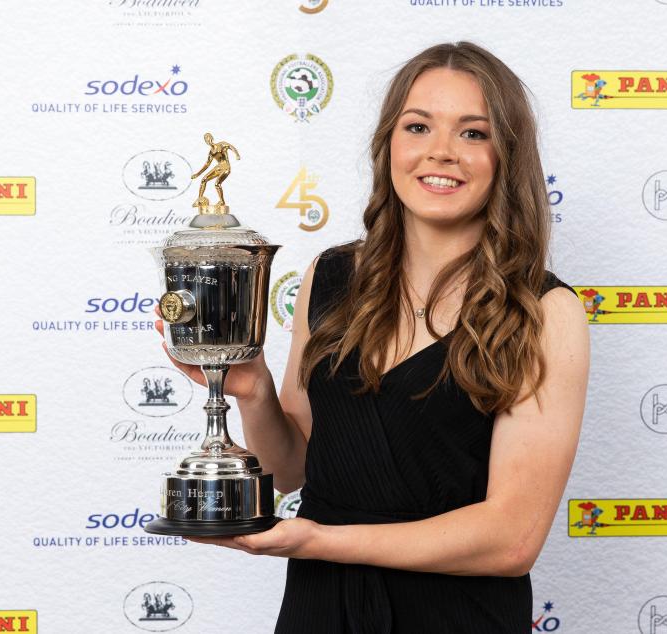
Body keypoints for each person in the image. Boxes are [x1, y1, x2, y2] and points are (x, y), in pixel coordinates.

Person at [156, 41, 589, 634]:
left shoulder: (543, 311)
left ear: (506, 156)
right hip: (320, 613)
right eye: (418, 126)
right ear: (389, 143)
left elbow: (512, 540)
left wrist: (319, 541)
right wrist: (253, 391)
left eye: (473, 133)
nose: (441, 152)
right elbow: (290, 469)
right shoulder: (329, 277)